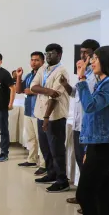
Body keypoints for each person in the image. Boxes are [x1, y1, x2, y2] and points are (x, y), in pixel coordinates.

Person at [75, 45, 109, 215]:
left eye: (95, 58)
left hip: (105, 147)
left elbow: (90, 106)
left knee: (84, 194)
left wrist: (82, 79)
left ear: (106, 61)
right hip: (99, 144)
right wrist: (88, 149)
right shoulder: (103, 83)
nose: (91, 62)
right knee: (102, 195)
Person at [59, 39, 100, 207]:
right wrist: (65, 85)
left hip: (88, 126)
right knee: (79, 160)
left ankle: (90, 201)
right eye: (81, 52)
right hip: (77, 124)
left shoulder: (97, 76)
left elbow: (91, 102)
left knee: (88, 165)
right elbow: (76, 94)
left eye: (87, 53)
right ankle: (83, 196)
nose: (83, 55)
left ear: (95, 54)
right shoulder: (85, 74)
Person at [30, 43, 70, 193]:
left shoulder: (62, 71)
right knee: (45, 148)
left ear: (59, 55)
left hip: (54, 117)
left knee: (57, 150)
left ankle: (62, 180)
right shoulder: (42, 69)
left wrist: (47, 117)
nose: (47, 56)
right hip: (40, 114)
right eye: (46, 54)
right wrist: (47, 90)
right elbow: (34, 87)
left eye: (51, 54)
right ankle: (51, 173)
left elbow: (56, 96)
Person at [15, 52, 47, 175]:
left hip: (39, 112)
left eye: (37, 60)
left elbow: (48, 91)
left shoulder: (45, 75)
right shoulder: (29, 75)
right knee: (31, 138)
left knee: (41, 140)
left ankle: (44, 165)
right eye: (32, 60)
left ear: (42, 62)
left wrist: (32, 92)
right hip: (28, 110)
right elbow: (18, 90)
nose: (33, 62)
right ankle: (32, 159)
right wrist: (18, 77)